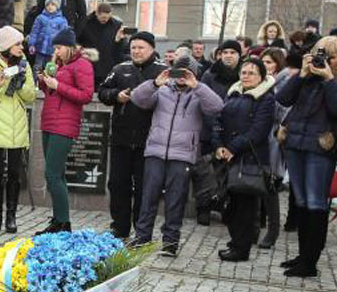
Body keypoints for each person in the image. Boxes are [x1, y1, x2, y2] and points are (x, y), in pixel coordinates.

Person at [275, 36, 337, 278]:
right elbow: (282, 98)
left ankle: (310, 261)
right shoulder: (307, 76)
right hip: (295, 143)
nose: (325, 61)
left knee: (316, 203)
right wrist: (302, 74)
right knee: (301, 202)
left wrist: (328, 79)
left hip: (320, 147)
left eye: (331, 57)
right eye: (320, 55)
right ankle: (303, 255)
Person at [129, 57, 224, 256]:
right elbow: (138, 98)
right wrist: (156, 82)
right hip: (156, 151)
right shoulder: (161, 90)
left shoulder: (199, 93)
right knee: (148, 197)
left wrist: (197, 85)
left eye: (186, 73)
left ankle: (170, 242)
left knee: (176, 199)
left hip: (182, 156)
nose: (181, 77)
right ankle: (141, 237)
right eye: (178, 72)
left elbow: (217, 107)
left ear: (194, 74)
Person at [97, 31, 167, 239]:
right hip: (121, 138)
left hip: (150, 142)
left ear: (152, 49)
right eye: (133, 47)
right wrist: (115, 96)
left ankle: (141, 229)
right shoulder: (120, 69)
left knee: (145, 188)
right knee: (118, 185)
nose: (136, 51)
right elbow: (102, 91)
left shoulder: (163, 71)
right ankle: (119, 226)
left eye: (141, 47)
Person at [213, 58, 277, 261]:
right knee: (230, 206)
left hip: (250, 158)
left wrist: (233, 147)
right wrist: (219, 145)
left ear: (261, 77)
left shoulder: (266, 99)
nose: (246, 76)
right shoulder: (232, 94)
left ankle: (241, 248)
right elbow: (219, 120)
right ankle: (235, 243)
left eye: (251, 73)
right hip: (228, 157)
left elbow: (258, 130)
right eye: (244, 72)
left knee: (245, 208)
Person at [36, 29, 95, 234]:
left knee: (51, 174)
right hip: (49, 123)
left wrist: (58, 85)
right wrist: (44, 82)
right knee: (56, 174)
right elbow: (50, 92)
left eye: (59, 48)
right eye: (55, 48)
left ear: (69, 47)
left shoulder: (82, 64)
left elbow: (86, 95)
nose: (56, 51)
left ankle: (63, 223)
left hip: (65, 125)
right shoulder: (61, 65)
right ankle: (58, 219)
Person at [0, 26, 36, 232]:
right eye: (17, 43)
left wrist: (20, 84)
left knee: (14, 174)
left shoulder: (24, 65)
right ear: (6, 45)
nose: (22, 47)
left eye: (21, 43)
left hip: (16, 126)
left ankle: (11, 217)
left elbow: (31, 96)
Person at [195, 40, 243, 225]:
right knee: (205, 174)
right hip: (209, 130)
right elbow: (202, 101)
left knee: (229, 174)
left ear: (239, 55)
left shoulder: (244, 74)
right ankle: (204, 208)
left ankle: (225, 208)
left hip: (233, 133)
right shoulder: (210, 75)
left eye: (233, 52)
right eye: (225, 52)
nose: (228, 55)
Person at [257, 46, 289, 249]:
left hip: (272, 141)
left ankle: (273, 230)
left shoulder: (283, 85)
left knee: (270, 187)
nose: (266, 66)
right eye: (264, 62)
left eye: (270, 62)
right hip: (255, 140)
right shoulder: (258, 83)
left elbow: (284, 114)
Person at [76, 2, 124, 87]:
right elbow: (76, 40)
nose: (105, 19)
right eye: (103, 17)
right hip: (89, 63)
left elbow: (120, 48)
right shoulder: (85, 23)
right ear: (96, 13)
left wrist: (118, 40)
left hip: (107, 65)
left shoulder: (116, 25)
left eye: (107, 17)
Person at [27, 0, 68, 72]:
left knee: (50, 69)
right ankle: (35, 82)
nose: (50, 6)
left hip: (53, 51)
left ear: (57, 6)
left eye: (53, 4)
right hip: (40, 49)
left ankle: (48, 83)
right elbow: (34, 32)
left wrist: (61, 49)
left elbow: (64, 36)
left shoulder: (62, 20)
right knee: (37, 68)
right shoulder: (40, 18)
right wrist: (31, 44)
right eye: (48, 4)